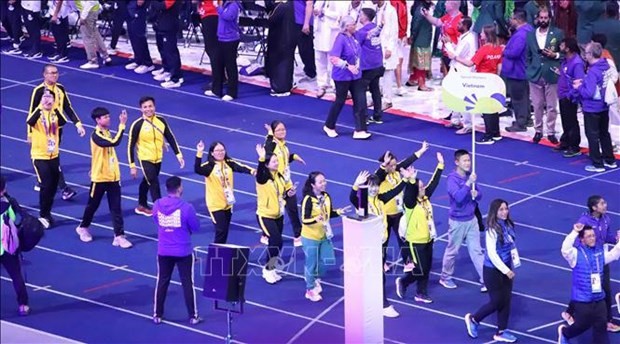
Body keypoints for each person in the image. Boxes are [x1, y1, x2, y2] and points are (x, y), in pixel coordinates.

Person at [350, 168, 411, 317]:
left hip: (381, 243)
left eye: (376, 186)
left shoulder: (381, 199)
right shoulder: (363, 200)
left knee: (374, 273)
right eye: (371, 186)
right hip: (369, 243)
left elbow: (395, 190)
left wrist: (406, 179)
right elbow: (353, 198)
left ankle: (369, 298)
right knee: (378, 274)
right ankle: (383, 304)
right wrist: (356, 185)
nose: (374, 189)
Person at [75, 108, 132, 249]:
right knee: (92, 206)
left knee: (116, 208)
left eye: (108, 116)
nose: (108, 119)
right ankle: (83, 227)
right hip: (99, 178)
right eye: (105, 117)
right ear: (98, 120)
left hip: (113, 177)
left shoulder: (106, 132)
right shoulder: (96, 135)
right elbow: (114, 142)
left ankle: (119, 236)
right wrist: (122, 125)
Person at [562, 196, 620, 332]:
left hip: (601, 258)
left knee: (600, 288)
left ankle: (569, 312)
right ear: (594, 207)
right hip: (588, 261)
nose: (605, 205)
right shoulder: (584, 221)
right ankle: (608, 321)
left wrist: (616, 239)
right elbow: (578, 241)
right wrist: (584, 258)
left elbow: (606, 237)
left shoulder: (606, 219)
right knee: (600, 288)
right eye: (602, 204)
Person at [465, 199, 519, 343]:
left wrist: (514, 261)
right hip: (493, 270)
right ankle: (474, 319)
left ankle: (502, 331)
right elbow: (492, 254)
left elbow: (511, 244)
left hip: (507, 266)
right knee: (497, 301)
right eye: (501, 209)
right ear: (495, 212)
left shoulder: (508, 225)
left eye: (506, 209)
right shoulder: (492, 230)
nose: (504, 212)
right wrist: (506, 270)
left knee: (506, 300)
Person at [29, 64, 86, 201]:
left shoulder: (60, 89)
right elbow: (31, 112)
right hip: (43, 131)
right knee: (52, 159)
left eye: (56, 73)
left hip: (57, 130)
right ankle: (64, 189)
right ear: (44, 75)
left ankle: (43, 180)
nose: (54, 75)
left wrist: (78, 124)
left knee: (52, 157)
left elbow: (67, 107)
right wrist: (30, 134)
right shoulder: (39, 91)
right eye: (51, 73)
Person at [557, 224, 620, 344]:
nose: (593, 238)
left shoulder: (599, 252)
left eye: (593, 236)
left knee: (601, 326)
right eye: (589, 236)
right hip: (582, 299)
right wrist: (575, 231)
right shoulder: (575, 254)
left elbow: (613, 255)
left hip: (599, 298)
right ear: (582, 239)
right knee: (583, 324)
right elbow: (565, 249)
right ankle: (565, 333)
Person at [152, 176, 202, 325]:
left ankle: (157, 314)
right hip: (183, 250)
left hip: (164, 250)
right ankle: (193, 316)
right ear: (179, 188)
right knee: (187, 283)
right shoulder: (187, 207)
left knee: (162, 281)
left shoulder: (157, 204)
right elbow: (196, 227)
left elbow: (156, 221)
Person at [395, 152, 444, 305]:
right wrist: (410, 180)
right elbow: (409, 192)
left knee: (427, 268)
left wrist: (440, 166)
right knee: (420, 268)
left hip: (428, 239)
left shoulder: (424, 198)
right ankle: (404, 282)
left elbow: (433, 183)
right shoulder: (410, 204)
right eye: (421, 187)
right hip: (415, 241)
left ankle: (421, 293)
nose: (424, 189)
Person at [375, 141, 429, 272]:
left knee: (403, 238)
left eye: (394, 164)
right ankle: (381, 262)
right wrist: (384, 165)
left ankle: (407, 261)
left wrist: (421, 151)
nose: (394, 167)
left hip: (398, 212)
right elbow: (378, 174)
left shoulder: (397, 171)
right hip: (385, 215)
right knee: (384, 241)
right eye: (390, 165)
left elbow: (408, 161)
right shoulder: (379, 178)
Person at [128, 96, 184, 217]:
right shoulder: (137, 125)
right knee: (153, 181)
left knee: (147, 181)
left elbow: (170, 137)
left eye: (150, 106)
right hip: (145, 158)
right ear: (141, 109)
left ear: (154, 107)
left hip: (158, 157)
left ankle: (141, 205)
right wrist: (132, 165)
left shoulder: (161, 121)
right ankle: (160, 209)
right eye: (145, 107)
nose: (148, 109)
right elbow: (130, 146)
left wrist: (178, 154)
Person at [300, 171, 350, 302]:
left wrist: (338, 212)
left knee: (328, 259)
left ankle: (315, 278)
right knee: (311, 263)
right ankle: (310, 289)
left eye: (324, 181)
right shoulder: (308, 199)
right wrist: (315, 219)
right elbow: (304, 220)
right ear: (313, 185)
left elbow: (328, 214)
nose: (324, 184)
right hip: (310, 237)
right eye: (320, 182)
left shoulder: (326, 196)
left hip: (324, 235)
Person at [440, 149, 485, 291]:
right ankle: (445, 277)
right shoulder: (452, 179)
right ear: (457, 162)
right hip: (458, 221)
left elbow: (480, 195)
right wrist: (468, 184)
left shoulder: (469, 176)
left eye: (469, 160)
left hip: (472, 220)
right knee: (452, 251)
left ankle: (485, 278)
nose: (468, 163)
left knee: (477, 251)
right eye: (465, 160)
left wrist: (476, 193)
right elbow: (458, 198)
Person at [194, 140, 254, 244]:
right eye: (217, 151)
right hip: (215, 205)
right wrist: (199, 152)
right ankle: (215, 257)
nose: (220, 152)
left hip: (228, 203)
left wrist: (252, 171)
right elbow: (197, 169)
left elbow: (240, 167)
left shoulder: (228, 163)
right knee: (220, 231)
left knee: (225, 231)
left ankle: (221, 254)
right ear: (212, 153)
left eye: (222, 150)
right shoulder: (209, 166)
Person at [453, 24, 504, 144]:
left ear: (486, 35)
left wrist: (455, 57)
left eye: (482, 33)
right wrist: (496, 78)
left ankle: (488, 135)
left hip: (483, 81)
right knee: (493, 107)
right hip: (494, 80)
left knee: (485, 107)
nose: (480, 35)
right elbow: (499, 66)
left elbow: (470, 63)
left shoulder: (484, 49)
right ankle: (496, 133)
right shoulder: (498, 48)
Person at [323, 15, 371, 140]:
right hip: (342, 76)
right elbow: (333, 58)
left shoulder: (355, 36)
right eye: (353, 24)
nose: (355, 26)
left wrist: (381, 25)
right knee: (340, 101)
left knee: (360, 101)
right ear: (346, 26)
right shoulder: (340, 39)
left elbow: (370, 34)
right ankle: (329, 125)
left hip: (356, 76)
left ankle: (360, 129)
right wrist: (347, 66)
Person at [572, 42, 617, 172]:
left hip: (592, 108)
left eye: (586, 53)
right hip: (604, 105)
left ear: (591, 54)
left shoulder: (593, 71)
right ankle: (610, 159)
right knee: (604, 133)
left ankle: (597, 164)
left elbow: (588, 93)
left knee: (592, 135)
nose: (585, 55)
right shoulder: (605, 65)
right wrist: (585, 81)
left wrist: (579, 86)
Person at [255, 143, 296, 284]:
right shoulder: (263, 178)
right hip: (265, 215)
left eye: (277, 160)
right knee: (276, 240)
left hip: (278, 214)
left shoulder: (279, 176)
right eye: (274, 161)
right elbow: (260, 173)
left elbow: (281, 193)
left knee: (278, 243)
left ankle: (271, 268)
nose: (277, 163)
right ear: (266, 164)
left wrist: (288, 193)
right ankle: (267, 269)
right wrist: (260, 159)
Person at [263, 121, 305, 246]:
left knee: (292, 209)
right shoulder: (272, 144)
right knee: (275, 210)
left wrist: (294, 157)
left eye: (283, 129)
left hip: (287, 182)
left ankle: (298, 235)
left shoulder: (283, 145)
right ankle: (266, 234)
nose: (282, 132)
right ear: (274, 132)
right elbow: (267, 153)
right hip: (276, 184)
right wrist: (269, 135)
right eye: (279, 130)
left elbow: (283, 160)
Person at [27, 89, 64, 229]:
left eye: (50, 97)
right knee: (46, 184)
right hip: (39, 156)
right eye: (45, 97)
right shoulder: (37, 114)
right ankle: (42, 215)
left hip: (54, 155)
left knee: (54, 186)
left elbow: (63, 121)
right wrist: (40, 106)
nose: (48, 100)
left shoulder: (54, 114)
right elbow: (30, 121)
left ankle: (47, 213)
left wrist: (54, 106)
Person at [526, 7, 563, 145]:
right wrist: (528, 70)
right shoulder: (530, 35)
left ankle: (551, 132)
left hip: (551, 73)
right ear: (537, 18)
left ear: (550, 19)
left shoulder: (558, 33)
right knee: (537, 105)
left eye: (545, 18)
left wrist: (556, 55)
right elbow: (528, 55)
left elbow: (565, 52)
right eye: (541, 18)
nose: (543, 20)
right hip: (535, 74)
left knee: (552, 106)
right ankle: (538, 130)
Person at [0, 176, 30, 316]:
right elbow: (16, 220)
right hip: (8, 247)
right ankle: (23, 305)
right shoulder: (7, 206)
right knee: (16, 276)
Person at [503, 8, 534, 133]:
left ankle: (520, 123)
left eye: (512, 18)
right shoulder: (529, 30)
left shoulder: (521, 34)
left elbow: (515, 52)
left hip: (517, 71)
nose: (510, 20)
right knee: (524, 97)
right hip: (523, 69)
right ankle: (526, 118)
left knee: (518, 99)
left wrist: (504, 50)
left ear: (517, 20)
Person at [205, 0, 241, 100]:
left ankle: (232, 92)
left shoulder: (234, 5)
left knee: (230, 66)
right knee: (218, 64)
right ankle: (216, 90)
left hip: (231, 39)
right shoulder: (225, 4)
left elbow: (228, 17)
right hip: (221, 38)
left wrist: (218, 8)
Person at [556, 37, 585, 157]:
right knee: (565, 120)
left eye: (562, 45)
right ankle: (566, 141)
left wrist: (570, 95)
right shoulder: (566, 60)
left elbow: (579, 82)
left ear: (568, 48)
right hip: (563, 95)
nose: (560, 47)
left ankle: (574, 146)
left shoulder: (577, 63)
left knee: (571, 121)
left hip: (569, 96)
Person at [356, 8, 384, 124]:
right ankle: (377, 115)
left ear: (365, 17)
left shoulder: (362, 31)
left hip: (367, 65)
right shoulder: (375, 27)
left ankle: (364, 117)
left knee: (360, 91)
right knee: (375, 89)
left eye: (360, 14)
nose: (359, 16)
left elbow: (355, 44)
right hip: (378, 63)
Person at [265, 0, 297, 97]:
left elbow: (271, 20)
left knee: (280, 65)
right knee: (287, 63)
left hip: (279, 40)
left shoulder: (281, 7)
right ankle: (287, 85)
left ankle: (280, 88)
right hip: (287, 39)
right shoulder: (289, 5)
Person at [152, 0, 183, 88]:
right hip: (162, 23)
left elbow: (163, 6)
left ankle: (175, 78)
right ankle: (168, 70)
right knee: (164, 49)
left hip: (169, 25)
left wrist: (154, 3)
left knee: (171, 52)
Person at [124, 0, 155, 74]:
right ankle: (138, 60)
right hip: (129, 5)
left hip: (139, 7)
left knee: (139, 35)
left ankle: (147, 63)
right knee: (132, 33)